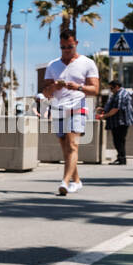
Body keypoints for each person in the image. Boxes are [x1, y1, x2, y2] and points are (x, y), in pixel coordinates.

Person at [40, 29, 100, 195]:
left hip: (78, 107)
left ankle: (65, 182)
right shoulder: (53, 65)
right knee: (65, 148)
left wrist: (78, 87)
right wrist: (54, 87)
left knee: (73, 145)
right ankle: (77, 181)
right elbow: (45, 92)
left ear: (76, 44)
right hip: (59, 108)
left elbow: (95, 89)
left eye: (70, 46)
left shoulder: (87, 63)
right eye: (63, 47)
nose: (66, 50)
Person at [95, 76, 133, 165]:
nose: (111, 90)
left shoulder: (120, 95)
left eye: (111, 88)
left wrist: (104, 116)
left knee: (118, 140)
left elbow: (116, 109)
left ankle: (121, 159)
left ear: (117, 86)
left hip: (121, 121)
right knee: (119, 140)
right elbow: (112, 106)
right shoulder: (119, 93)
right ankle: (121, 158)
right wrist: (104, 109)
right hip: (119, 121)